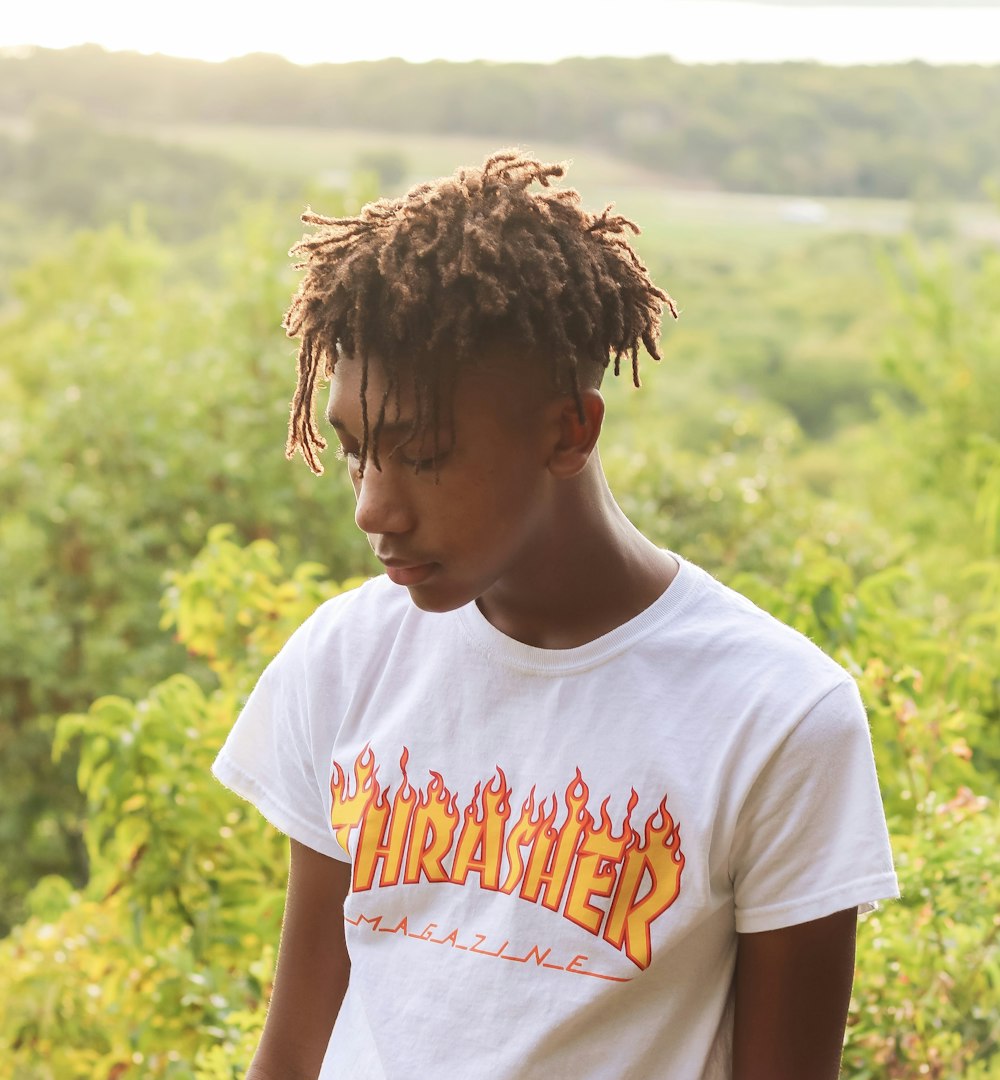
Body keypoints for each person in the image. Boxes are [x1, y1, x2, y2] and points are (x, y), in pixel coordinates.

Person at [211, 149, 899, 1080]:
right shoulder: (345, 658)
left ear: (569, 431)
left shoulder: (777, 716)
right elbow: (294, 1052)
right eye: (358, 451)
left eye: (423, 455)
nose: (373, 506)